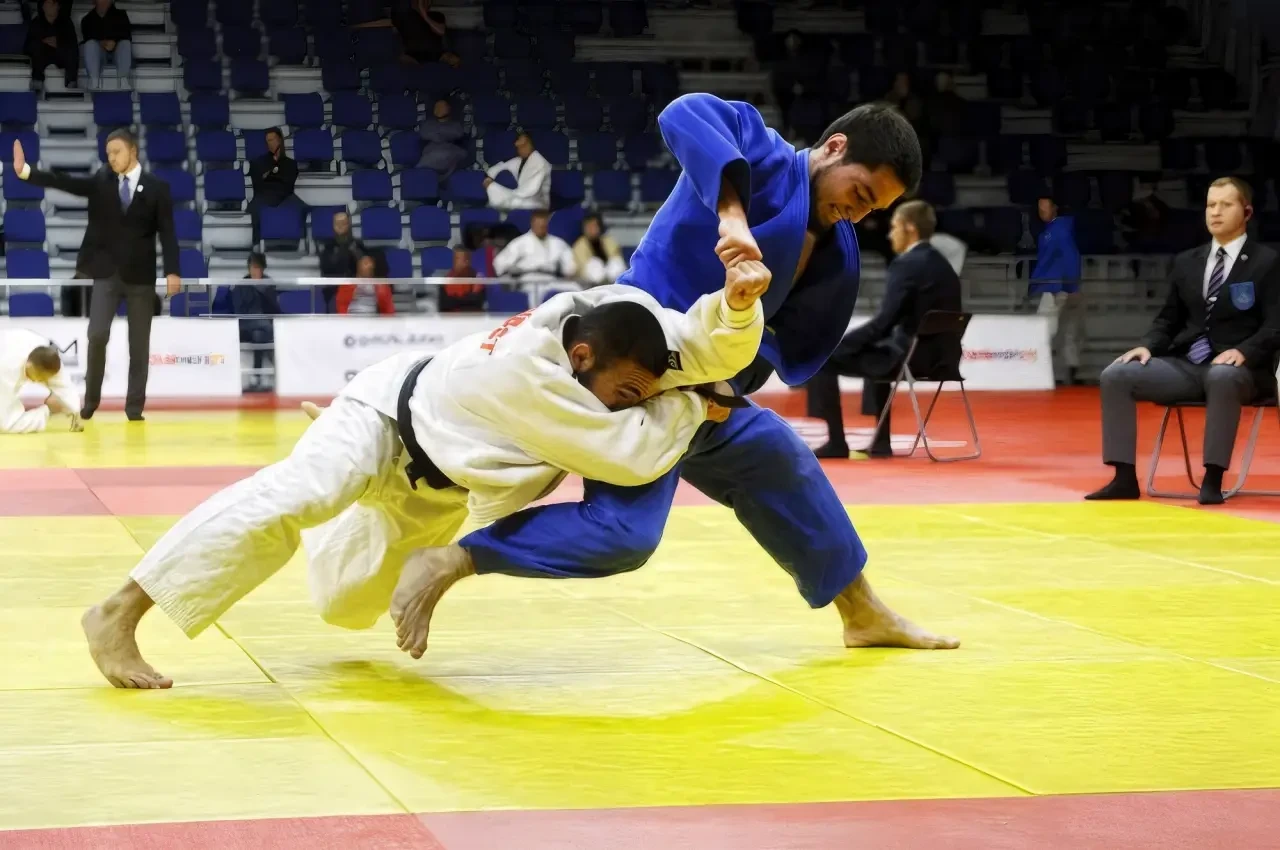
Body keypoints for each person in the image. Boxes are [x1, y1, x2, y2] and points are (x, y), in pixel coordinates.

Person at [403, 94, 959, 653]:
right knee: (625, 534)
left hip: (705, 391)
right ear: (834, 148)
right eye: (859, 194)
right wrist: (731, 213)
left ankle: (862, 613)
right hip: (633, 367)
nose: (858, 215)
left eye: (873, 209)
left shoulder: (834, 247)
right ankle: (459, 558)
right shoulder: (760, 157)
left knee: (781, 461)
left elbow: (774, 339)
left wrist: (729, 387)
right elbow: (684, 112)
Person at [79, 262, 773, 687]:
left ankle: (331, 472)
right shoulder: (527, 376)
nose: (632, 404)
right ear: (583, 357)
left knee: (345, 607)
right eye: (627, 394)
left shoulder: (610, 319)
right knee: (297, 494)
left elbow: (696, 344)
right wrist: (693, 405)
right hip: (384, 419)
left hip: (439, 484)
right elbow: (630, 453)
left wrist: (736, 308)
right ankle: (118, 612)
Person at [1086, 177, 1280, 505]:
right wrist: (1148, 345)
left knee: (1222, 375)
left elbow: (1275, 324)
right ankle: (1123, 478)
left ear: (1247, 212)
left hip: (1243, 371)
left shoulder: (1267, 262)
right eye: (1210, 205)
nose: (1215, 212)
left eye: (1226, 205)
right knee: (1116, 374)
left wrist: (1244, 351)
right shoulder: (1187, 261)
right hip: (1189, 364)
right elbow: (1168, 319)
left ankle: (1213, 479)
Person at [13, 133, 180, 422]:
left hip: (141, 277)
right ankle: (90, 401)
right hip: (107, 275)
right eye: (108, 152)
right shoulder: (102, 181)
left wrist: (172, 271)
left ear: (132, 151)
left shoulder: (157, 188)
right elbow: (66, 182)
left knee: (139, 346)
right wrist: (27, 172)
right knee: (97, 334)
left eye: (116, 151)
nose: (111, 157)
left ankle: (134, 408)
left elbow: (167, 232)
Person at [806, 200, 963, 458]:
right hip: (944, 359)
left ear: (910, 228)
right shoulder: (944, 266)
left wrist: (839, 345)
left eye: (894, 227)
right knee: (876, 352)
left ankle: (836, 442)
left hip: (911, 358)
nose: (890, 235)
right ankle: (880, 442)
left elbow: (884, 323)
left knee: (823, 360)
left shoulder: (907, 264)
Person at [1030, 196, 1084, 386]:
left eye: (1045, 208)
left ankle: (1039, 372)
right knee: (1069, 330)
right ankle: (1070, 372)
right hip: (1060, 285)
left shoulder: (1058, 231)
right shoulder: (1054, 230)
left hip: (1056, 287)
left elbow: (1070, 258)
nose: (1042, 212)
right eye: (1040, 209)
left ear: (1055, 208)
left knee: (1044, 329)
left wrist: (1071, 286)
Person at [0, 329, 83, 433]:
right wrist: (49, 410)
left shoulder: (49, 359)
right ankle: (46, 412)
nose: (36, 381)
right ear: (28, 365)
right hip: (4, 364)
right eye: (34, 376)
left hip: (18, 344)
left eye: (43, 379)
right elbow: (5, 424)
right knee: (7, 423)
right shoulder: (7, 369)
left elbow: (66, 388)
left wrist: (76, 414)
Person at [231, 252, 279, 393]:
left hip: (263, 325)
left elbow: (274, 309)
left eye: (257, 267)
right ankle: (274, 370)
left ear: (263, 268)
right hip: (246, 323)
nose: (254, 271)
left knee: (259, 335)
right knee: (264, 327)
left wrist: (263, 292)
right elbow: (238, 311)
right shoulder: (241, 285)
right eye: (252, 267)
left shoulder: (268, 284)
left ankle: (256, 378)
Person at [248, 127, 303, 245]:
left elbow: (288, 185)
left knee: (303, 207)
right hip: (264, 196)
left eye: (272, 140)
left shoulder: (291, 164)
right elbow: (258, 185)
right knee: (254, 208)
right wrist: (277, 177)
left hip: (285, 196)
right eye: (268, 141)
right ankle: (256, 244)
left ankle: (298, 242)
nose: (270, 143)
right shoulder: (257, 163)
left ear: (280, 140)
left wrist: (269, 176)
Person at [492, 209, 575, 287]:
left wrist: (568, 272)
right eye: (538, 224)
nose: (541, 227)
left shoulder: (558, 243)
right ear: (532, 224)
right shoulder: (520, 242)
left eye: (543, 225)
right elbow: (499, 263)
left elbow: (570, 267)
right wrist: (513, 270)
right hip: (529, 279)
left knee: (574, 288)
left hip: (552, 279)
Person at [484, 132, 551, 212]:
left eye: (524, 145)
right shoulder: (518, 160)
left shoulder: (540, 163)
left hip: (535, 203)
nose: (521, 148)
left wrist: (493, 188)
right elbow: (500, 166)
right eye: (518, 147)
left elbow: (527, 192)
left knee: (495, 200)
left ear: (532, 145)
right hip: (520, 200)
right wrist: (489, 179)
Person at [24, 0, 78, 89]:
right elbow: (27, 47)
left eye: (54, 3)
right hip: (42, 57)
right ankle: (37, 81)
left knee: (70, 49)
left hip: (61, 56)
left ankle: (71, 81)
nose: (51, 6)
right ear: (43, 6)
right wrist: (44, 42)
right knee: (37, 48)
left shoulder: (66, 22)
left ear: (58, 6)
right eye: (48, 3)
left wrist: (59, 43)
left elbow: (73, 45)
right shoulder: (36, 23)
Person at [80, 0, 132, 90]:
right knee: (90, 44)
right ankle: (94, 81)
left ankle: (123, 80)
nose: (104, 2)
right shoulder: (87, 19)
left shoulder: (121, 15)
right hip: (100, 54)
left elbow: (127, 35)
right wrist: (101, 43)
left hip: (118, 52)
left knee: (125, 43)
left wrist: (114, 41)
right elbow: (87, 37)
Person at [573, 212, 627, 287]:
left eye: (593, 226)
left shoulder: (609, 241)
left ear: (599, 227)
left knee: (616, 262)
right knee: (595, 263)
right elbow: (583, 268)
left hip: (610, 275)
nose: (591, 229)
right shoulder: (579, 245)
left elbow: (616, 258)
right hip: (589, 280)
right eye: (588, 227)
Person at [417, 99, 469, 177]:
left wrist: (438, 134)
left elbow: (458, 133)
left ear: (449, 108)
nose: (439, 109)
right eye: (437, 107)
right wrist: (442, 135)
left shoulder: (456, 125)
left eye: (442, 107)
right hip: (430, 152)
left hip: (450, 151)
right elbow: (424, 134)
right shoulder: (428, 124)